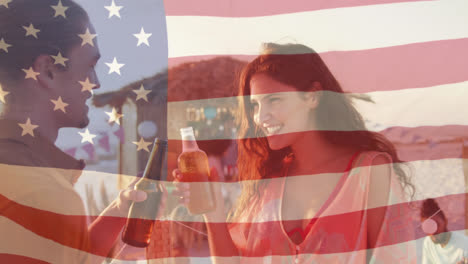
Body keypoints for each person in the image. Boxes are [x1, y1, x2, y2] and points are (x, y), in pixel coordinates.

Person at [174, 43, 416, 263]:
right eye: (256, 106)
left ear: (313, 96)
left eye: (274, 100)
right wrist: (212, 213)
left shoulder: (369, 172)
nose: (260, 116)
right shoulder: (271, 181)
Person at [0, 1, 158, 263]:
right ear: (47, 71)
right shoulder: (41, 196)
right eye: (90, 66)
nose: (95, 83)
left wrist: (119, 210)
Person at [421, 199, 468, 264]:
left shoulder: (465, 244)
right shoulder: (428, 243)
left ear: (445, 221)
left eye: (436, 225)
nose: (433, 232)